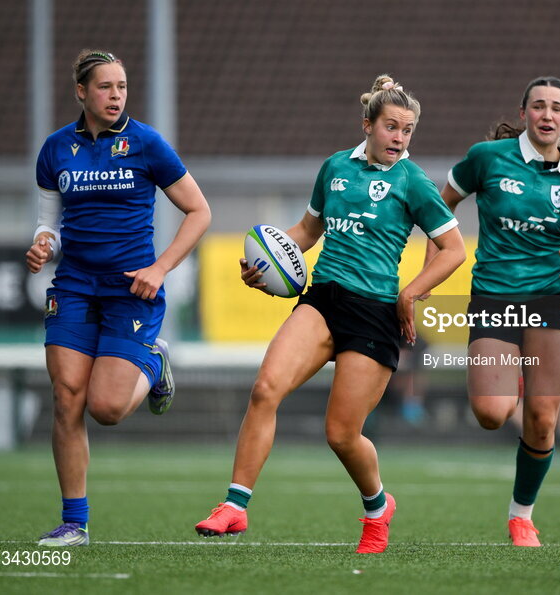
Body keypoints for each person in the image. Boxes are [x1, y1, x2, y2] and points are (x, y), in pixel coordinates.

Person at [194, 75, 466, 554]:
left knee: (341, 435)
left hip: (375, 313)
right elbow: (306, 230)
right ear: (368, 124)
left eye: (407, 130)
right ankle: (235, 506)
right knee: (264, 389)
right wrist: (263, 262)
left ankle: (378, 507)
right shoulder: (335, 168)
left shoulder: (413, 182)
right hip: (323, 299)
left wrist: (411, 294)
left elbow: (453, 249)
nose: (399, 138)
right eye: (391, 127)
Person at [26, 49, 212, 546]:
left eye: (122, 86)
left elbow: (199, 211)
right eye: (105, 87)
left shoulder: (146, 143)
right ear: (81, 92)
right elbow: (52, 223)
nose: (116, 95)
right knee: (67, 397)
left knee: (105, 409)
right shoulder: (55, 150)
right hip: (74, 287)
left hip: (133, 289)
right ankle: (74, 524)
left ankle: (154, 363)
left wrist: (160, 267)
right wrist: (44, 244)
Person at [429, 76, 560, 547]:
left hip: (550, 301)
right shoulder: (486, 158)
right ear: (524, 112)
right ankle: (517, 376)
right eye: (539, 106)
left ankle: (521, 516)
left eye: (557, 108)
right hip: (494, 297)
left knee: (543, 418)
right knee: (491, 412)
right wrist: (431, 273)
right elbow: (439, 209)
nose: (548, 115)